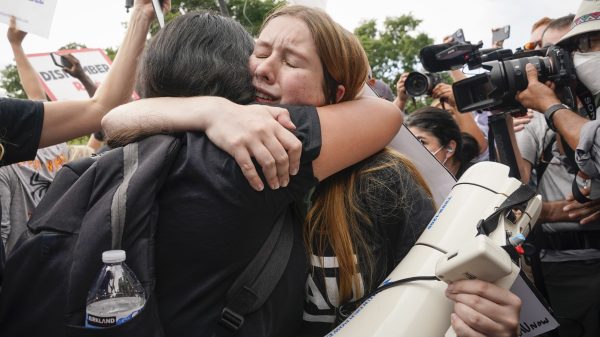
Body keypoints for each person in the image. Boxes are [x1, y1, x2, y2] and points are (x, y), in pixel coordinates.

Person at [103, 6, 521, 337]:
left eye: (292, 61)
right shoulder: (219, 160)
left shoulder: (381, 182)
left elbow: (441, 296)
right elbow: (114, 120)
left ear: (336, 95)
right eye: (260, 52)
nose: (264, 69)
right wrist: (213, 110)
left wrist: (483, 319)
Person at [516, 2, 600, 336]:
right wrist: (555, 212)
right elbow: (512, 192)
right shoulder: (538, 123)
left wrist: (552, 107)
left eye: (582, 47)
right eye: (564, 51)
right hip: (561, 269)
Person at [406, 107, 480, 178]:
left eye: (421, 142)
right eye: (409, 143)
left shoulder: (479, 178)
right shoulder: (416, 184)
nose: (411, 150)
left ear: (449, 148)